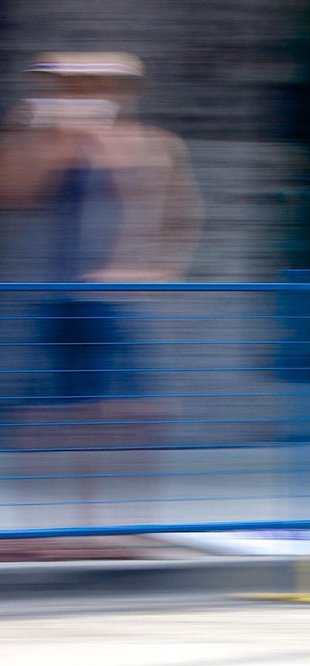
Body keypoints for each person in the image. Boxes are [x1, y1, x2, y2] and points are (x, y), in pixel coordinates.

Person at [0, 52, 202, 419]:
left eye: (94, 85)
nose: (79, 94)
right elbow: (14, 193)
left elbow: (183, 215)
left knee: (134, 413)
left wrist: (162, 270)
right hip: (58, 297)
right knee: (53, 417)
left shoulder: (156, 144)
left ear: (125, 91)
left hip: (125, 302)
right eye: (68, 86)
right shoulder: (52, 141)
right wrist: (29, 137)